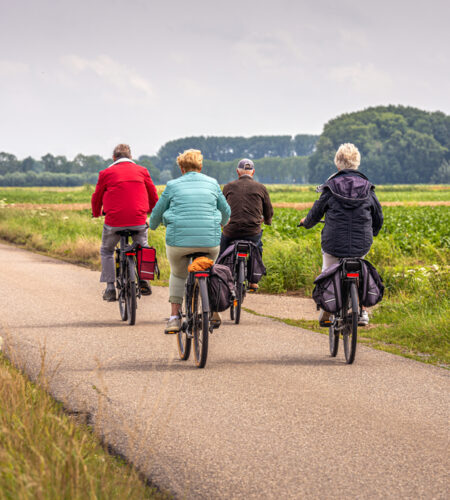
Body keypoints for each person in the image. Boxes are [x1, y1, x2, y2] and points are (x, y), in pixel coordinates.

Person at [300, 143, 383, 326]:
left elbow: (315, 213)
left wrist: (306, 223)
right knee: (360, 269)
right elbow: (378, 217)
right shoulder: (368, 188)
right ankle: (362, 310)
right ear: (357, 163)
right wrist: (373, 232)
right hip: (361, 242)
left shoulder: (330, 187)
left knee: (328, 271)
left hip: (333, 243)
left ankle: (328, 311)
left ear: (338, 164)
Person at [149, 149, 231, 333]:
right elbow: (226, 212)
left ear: (181, 168)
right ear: (201, 166)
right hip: (209, 242)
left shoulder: (172, 185)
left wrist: (153, 225)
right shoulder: (212, 183)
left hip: (179, 243)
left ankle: (174, 317)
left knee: (178, 274)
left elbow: (157, 213)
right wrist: (222, 223)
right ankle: (212, 310)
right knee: (209, 270)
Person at [91, 144, 159, 301]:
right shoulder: (142, 171)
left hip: (114, 222)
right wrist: (151, 211)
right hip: (138, 219)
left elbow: (97, 196)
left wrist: (96, 213)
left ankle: (109, 288)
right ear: (130, 157)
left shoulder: (106, 173)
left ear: (114, 158)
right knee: (144, 248)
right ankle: (145, 280)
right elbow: (153, 194)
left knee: (107, 250)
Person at [220, 158, 273, 288]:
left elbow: (220, 209)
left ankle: (221, 278)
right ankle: (253, 280)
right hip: (252, 233)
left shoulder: (228, 187)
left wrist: (222, 222)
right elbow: (269, 211)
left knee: (221, 252)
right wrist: (266, 221)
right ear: (253, 172)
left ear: (238, 172)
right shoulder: (261, 188)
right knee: (257, 247)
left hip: (231, 231)